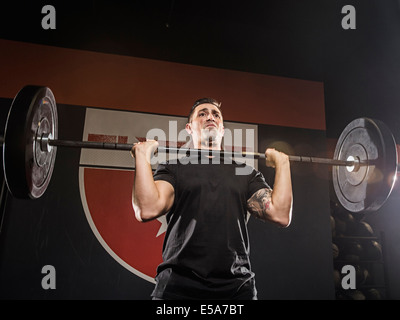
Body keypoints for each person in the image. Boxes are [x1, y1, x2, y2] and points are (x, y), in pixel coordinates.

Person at [131, 98, 293, 300]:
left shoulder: (245, 174)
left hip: (235, 290)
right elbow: (146, 209)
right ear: (189, 128)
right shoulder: (173, 169)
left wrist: (283, 164)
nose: (210, 117)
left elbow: (280, 214)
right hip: (178, 289)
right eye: (202, 113)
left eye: (216, 114)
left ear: (222, 129)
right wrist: (142, 157)